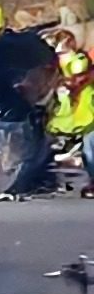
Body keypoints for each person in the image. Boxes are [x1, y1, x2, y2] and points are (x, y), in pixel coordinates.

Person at [47, 52, 94, 198]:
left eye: (82, 75)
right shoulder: (64, 92)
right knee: (89, 149)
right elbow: (64, 118)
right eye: (75, 75)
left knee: (90, 145)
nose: (79, 79)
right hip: (86, 127)